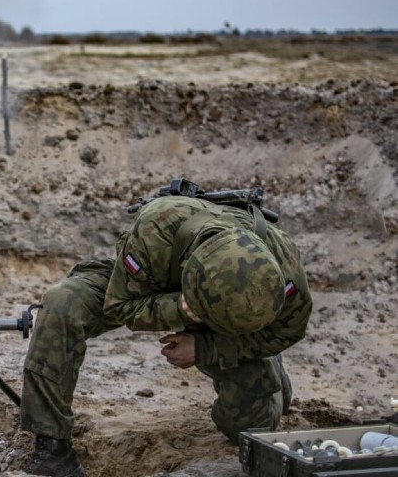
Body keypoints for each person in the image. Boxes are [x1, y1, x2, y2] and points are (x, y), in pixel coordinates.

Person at [20, 194, 313, 477]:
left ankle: (271, 372)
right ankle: (53, 448)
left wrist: (206, 347)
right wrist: (179, 308)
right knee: (62, 302)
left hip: (227, 313)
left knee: (250, 431)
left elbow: (287, 331)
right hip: (152, 280)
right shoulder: (157, 228)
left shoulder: (285, 267)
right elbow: (120, 304)